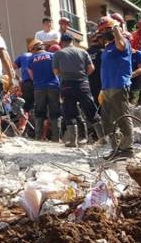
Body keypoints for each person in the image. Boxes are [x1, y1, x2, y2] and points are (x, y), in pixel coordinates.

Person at [54, 32, 99, 147]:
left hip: (66, 85)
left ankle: (73, 141)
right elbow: (91, 68)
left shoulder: (58, 53)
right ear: (73, 41)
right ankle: (103, 139)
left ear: (62, 43)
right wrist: (82, 76)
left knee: (69, 112)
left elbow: (56, 72)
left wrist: (66, 74)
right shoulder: (83, 51)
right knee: (91, 110)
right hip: (83, 83)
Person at [99, 22, 134, 159]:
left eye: (106, 30)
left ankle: (127, 149)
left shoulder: (122, 42)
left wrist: (116, 30)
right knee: (107, 121)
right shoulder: (108, 47)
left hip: (119, 85)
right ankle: (116, 149)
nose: (103, 32)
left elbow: (120, 44)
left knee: (122, 118)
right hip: (107, 88)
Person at [29, 42, 61, 142]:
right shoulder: (52, 55)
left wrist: (37, 82)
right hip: (53, 86)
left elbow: (31, 74)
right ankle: (56, 138)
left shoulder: (32, 58)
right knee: (55, 112)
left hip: (39, 88)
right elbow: (57, 71)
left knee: (39, 112)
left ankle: (38, 137)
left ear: (35, 49)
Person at [14, 41, 37, 136]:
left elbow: (12, 68)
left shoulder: (23, 56)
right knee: (39, 107)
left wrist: (18, 79)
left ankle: (23, 129)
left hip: (26, 83)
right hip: (38, 83)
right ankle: (37, 132)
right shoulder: (38, 56)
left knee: (25, 107)